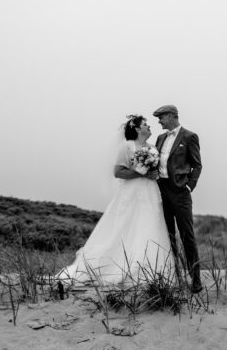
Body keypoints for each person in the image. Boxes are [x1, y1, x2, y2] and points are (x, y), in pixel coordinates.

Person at [57, 114, 173, 284]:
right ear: (137, 129)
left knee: (150, 224)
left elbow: (154, 172)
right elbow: (118, 172)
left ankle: (151, 270)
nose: (149, 126)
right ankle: (118, 265)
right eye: (145, 124)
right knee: (124, 226)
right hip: (131, 192)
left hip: (149, 192)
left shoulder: (152, 147)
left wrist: (153, 173)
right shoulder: (127, 146)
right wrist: (141, 173)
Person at [153, 104, 203, 293]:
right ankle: (174, 276)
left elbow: (197, 165)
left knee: (187, 236)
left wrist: (189, 186)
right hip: (162, 192)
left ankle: (195, 279)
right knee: (168, 236)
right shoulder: (160, 138)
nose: (159, 121)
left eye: (161, 117)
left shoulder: (190, 136)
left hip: (180, 193)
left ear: (171, 116)